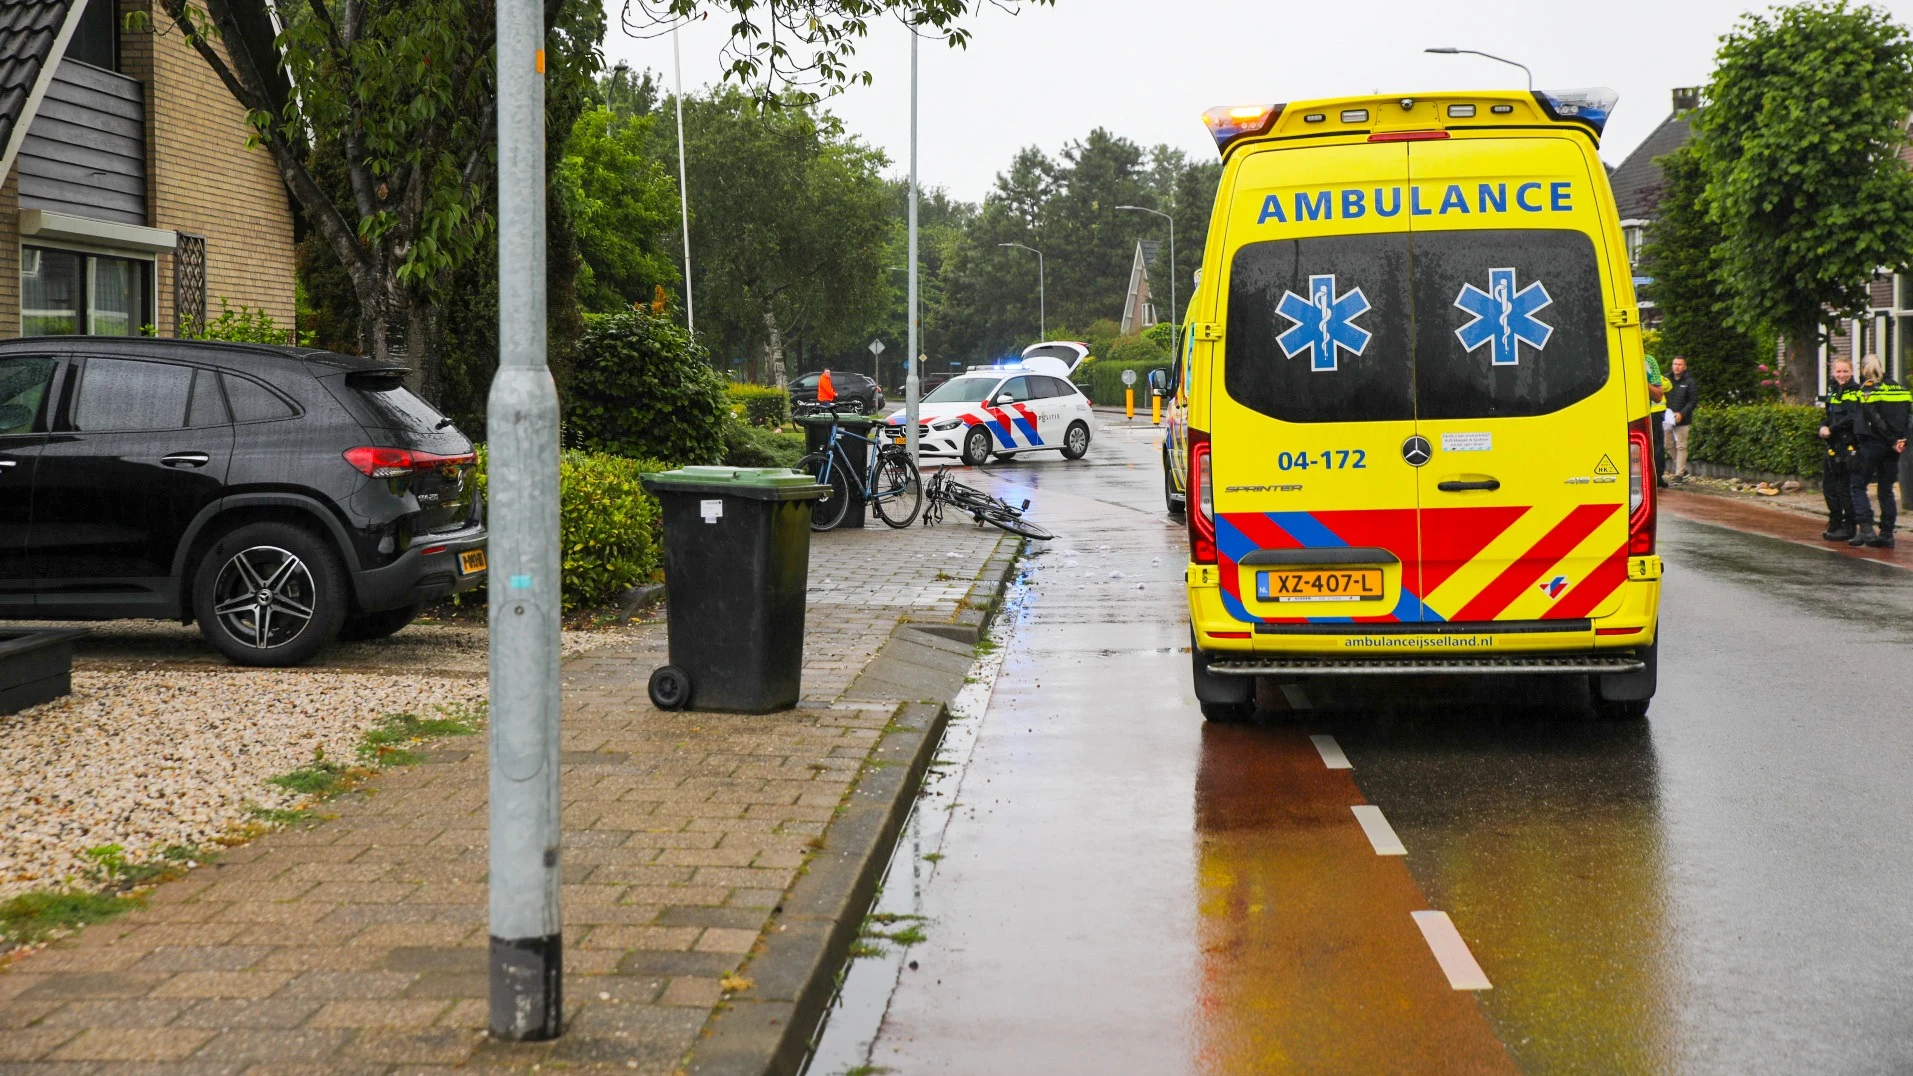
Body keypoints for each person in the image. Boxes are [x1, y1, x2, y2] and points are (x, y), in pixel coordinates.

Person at [1848, 355, 1910, 549]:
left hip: (1873, 443)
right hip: (1894, 447)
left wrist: (1890, 440)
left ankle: (1866, 527)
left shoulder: (1867, 389)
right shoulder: (1899, 388)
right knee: (1886, 489)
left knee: (1857, 484)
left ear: (1863, 369)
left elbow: (1874, 419)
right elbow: (1908, 417)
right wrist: (1901, 441)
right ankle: (1887, 534)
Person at [1819, 357, 1862, 542]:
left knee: (1845, 487)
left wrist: (1832, 428)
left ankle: (1849, 527)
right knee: (1829, 486)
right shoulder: (1833, 390)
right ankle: (1835, 521)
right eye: (1838, 371)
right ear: (1833, 372)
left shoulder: (1856, 391)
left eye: (1845, 371)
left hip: (1848, 444)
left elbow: (1853, 417)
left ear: (1852, 372)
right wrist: (1822, 426)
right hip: (1833, 444)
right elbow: (1830, 416)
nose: (1842, 375)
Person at [1664, 356, 1698, 481]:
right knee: (1668, 444)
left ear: (1684, 367)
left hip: (1683, 419)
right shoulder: (1666, 380)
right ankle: (1682, 468)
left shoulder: (1690, 382)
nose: (1677, 367)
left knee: (1681, 446)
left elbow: (1693, 401)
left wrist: (1682, 414)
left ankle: (1679, 474)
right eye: (1675, 364)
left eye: (1680, 364)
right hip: (1667, 418)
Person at [1644, 353, 1668, 486]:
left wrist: (1643, 380)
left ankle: (1657, 477)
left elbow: (1658, 395)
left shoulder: (1648, 360)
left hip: (1648, 414)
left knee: (1656, 446)